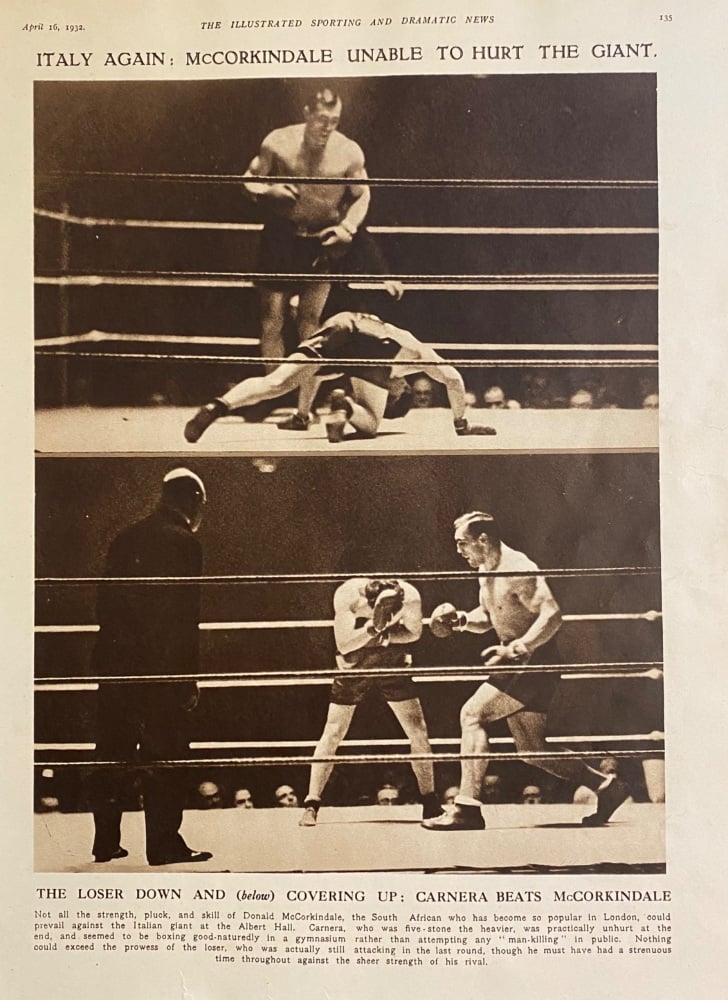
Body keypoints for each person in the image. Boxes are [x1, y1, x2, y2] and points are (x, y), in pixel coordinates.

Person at [422, 511, 630, 831]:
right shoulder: (486, 570)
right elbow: (493, 615)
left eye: (463, 543)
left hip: (532, 660)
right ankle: (607, 786)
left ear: (483, 540)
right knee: (533, 751)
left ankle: (467, 807)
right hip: (522, 661)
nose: (459, 551)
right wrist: (461, 621)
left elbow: (552, 614)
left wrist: (520, 647)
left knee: (472, 714)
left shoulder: (518, 567)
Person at [88, 469, 213, 866]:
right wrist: (186, 677)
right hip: (161, 665)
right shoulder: (184, 542)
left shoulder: (126, 537)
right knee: (166, 753)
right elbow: (183, 615)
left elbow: (104, 602)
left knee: (111, 750)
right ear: (193, 500)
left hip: (115, 660)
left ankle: (105, 841)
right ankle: (163, 844)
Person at [184, 311, 496, 443]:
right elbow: (453, 378)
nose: (396, 390)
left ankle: (218, 406)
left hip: (342, 321)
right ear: (396, 391)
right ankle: (346, 407)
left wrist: (302, 415)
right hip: (375, 345)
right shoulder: (413, 356)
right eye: (395, 395)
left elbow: (315, 378)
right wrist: (461, 425)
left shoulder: (359, 366)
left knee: (276, 383)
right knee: (371, 425)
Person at [299, 577, 443, 827]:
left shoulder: (409, 596)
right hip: (355, 661)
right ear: (369, 601)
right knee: (333, 731)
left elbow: (414, 633)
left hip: (392, 658)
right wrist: (373, 628)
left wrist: (381, 636)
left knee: (417, 730)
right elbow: (343, 644)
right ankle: (311, 804)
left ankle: (430, 803)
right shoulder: (347, 595)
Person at [242, 86, 370, 364]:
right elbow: (249, 179)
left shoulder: (348, 151)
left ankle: (304, 406)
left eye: (334, 121)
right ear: (307, 114)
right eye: (321, 119)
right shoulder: (277, 142)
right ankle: (271, 394)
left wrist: (347, 228)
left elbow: (363, 195)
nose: (327, 128)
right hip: (281, 238)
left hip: (319, 241)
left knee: (311, 324)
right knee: (271, 321)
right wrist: (267, 191)